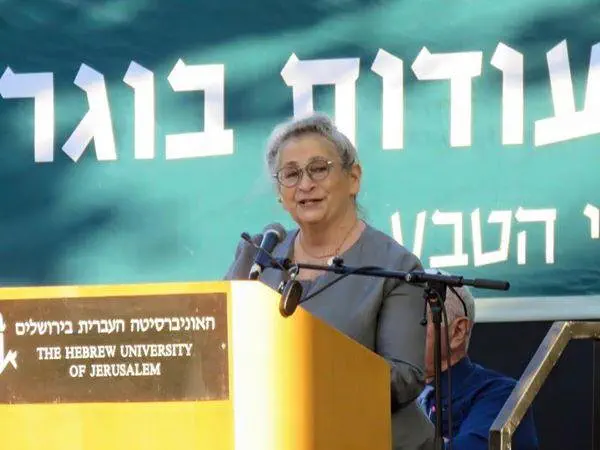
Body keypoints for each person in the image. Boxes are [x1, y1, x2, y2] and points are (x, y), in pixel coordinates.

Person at [224, 112, 435, 449]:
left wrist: (306, 376)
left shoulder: (395, 266)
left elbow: (404, 378)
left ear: (354, 178)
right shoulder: (258, 259)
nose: (305, 184)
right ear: (280, 192)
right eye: (291, 174)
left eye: (319, 168)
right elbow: (217, 347)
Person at [418, 270, 539, 449]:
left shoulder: (501, 395)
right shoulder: (389, 393)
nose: (395, 333)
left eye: (412, 322)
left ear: (458, 332)